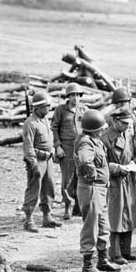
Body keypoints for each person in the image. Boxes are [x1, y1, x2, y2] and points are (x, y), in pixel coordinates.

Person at [74, 109, 120, 272]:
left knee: (103, 226)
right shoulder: (86, 142)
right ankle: (87, 265)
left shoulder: (96, 141)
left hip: (100, 189)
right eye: (101, 128)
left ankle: (102, 259)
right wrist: (91, 172)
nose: (103, 130)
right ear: (95, 129)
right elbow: (85, 159)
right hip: (91, 189)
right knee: (91, 227)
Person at [101, 108, 136, 264]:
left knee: (129, 215)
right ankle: (115, 253)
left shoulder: (127, 135)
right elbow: (101, 165)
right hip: (113, 183)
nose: (127, 126)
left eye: (128, 124)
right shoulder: (105, 138)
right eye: (124, 123)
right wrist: (118, 168)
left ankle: (126, 251)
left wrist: (133, 163)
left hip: (128, 180)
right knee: (115, 217)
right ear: (114, 121)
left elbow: (134, 154)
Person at [22, 91, 61, 233]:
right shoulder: (30, 123)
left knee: (48, 188)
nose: (49, 109)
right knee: (34, 189)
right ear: (37, 108)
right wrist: (33, 164)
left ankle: (47, 216)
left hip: (48, 159)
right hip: (37, 160)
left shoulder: (44, 119)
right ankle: (29, 220)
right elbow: (28, 147)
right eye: (46, 106)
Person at [51, 83, 86, 220]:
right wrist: (57, 146)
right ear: (68, 96)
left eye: (78, 95)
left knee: (80, 176)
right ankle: (68, 205)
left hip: (81, 147)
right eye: (73, 95)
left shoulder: (83, 110)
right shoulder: (60, 110)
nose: (75, 98)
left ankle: (79, 206)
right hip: (66, 147)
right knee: (68, 178)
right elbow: (54, 128)